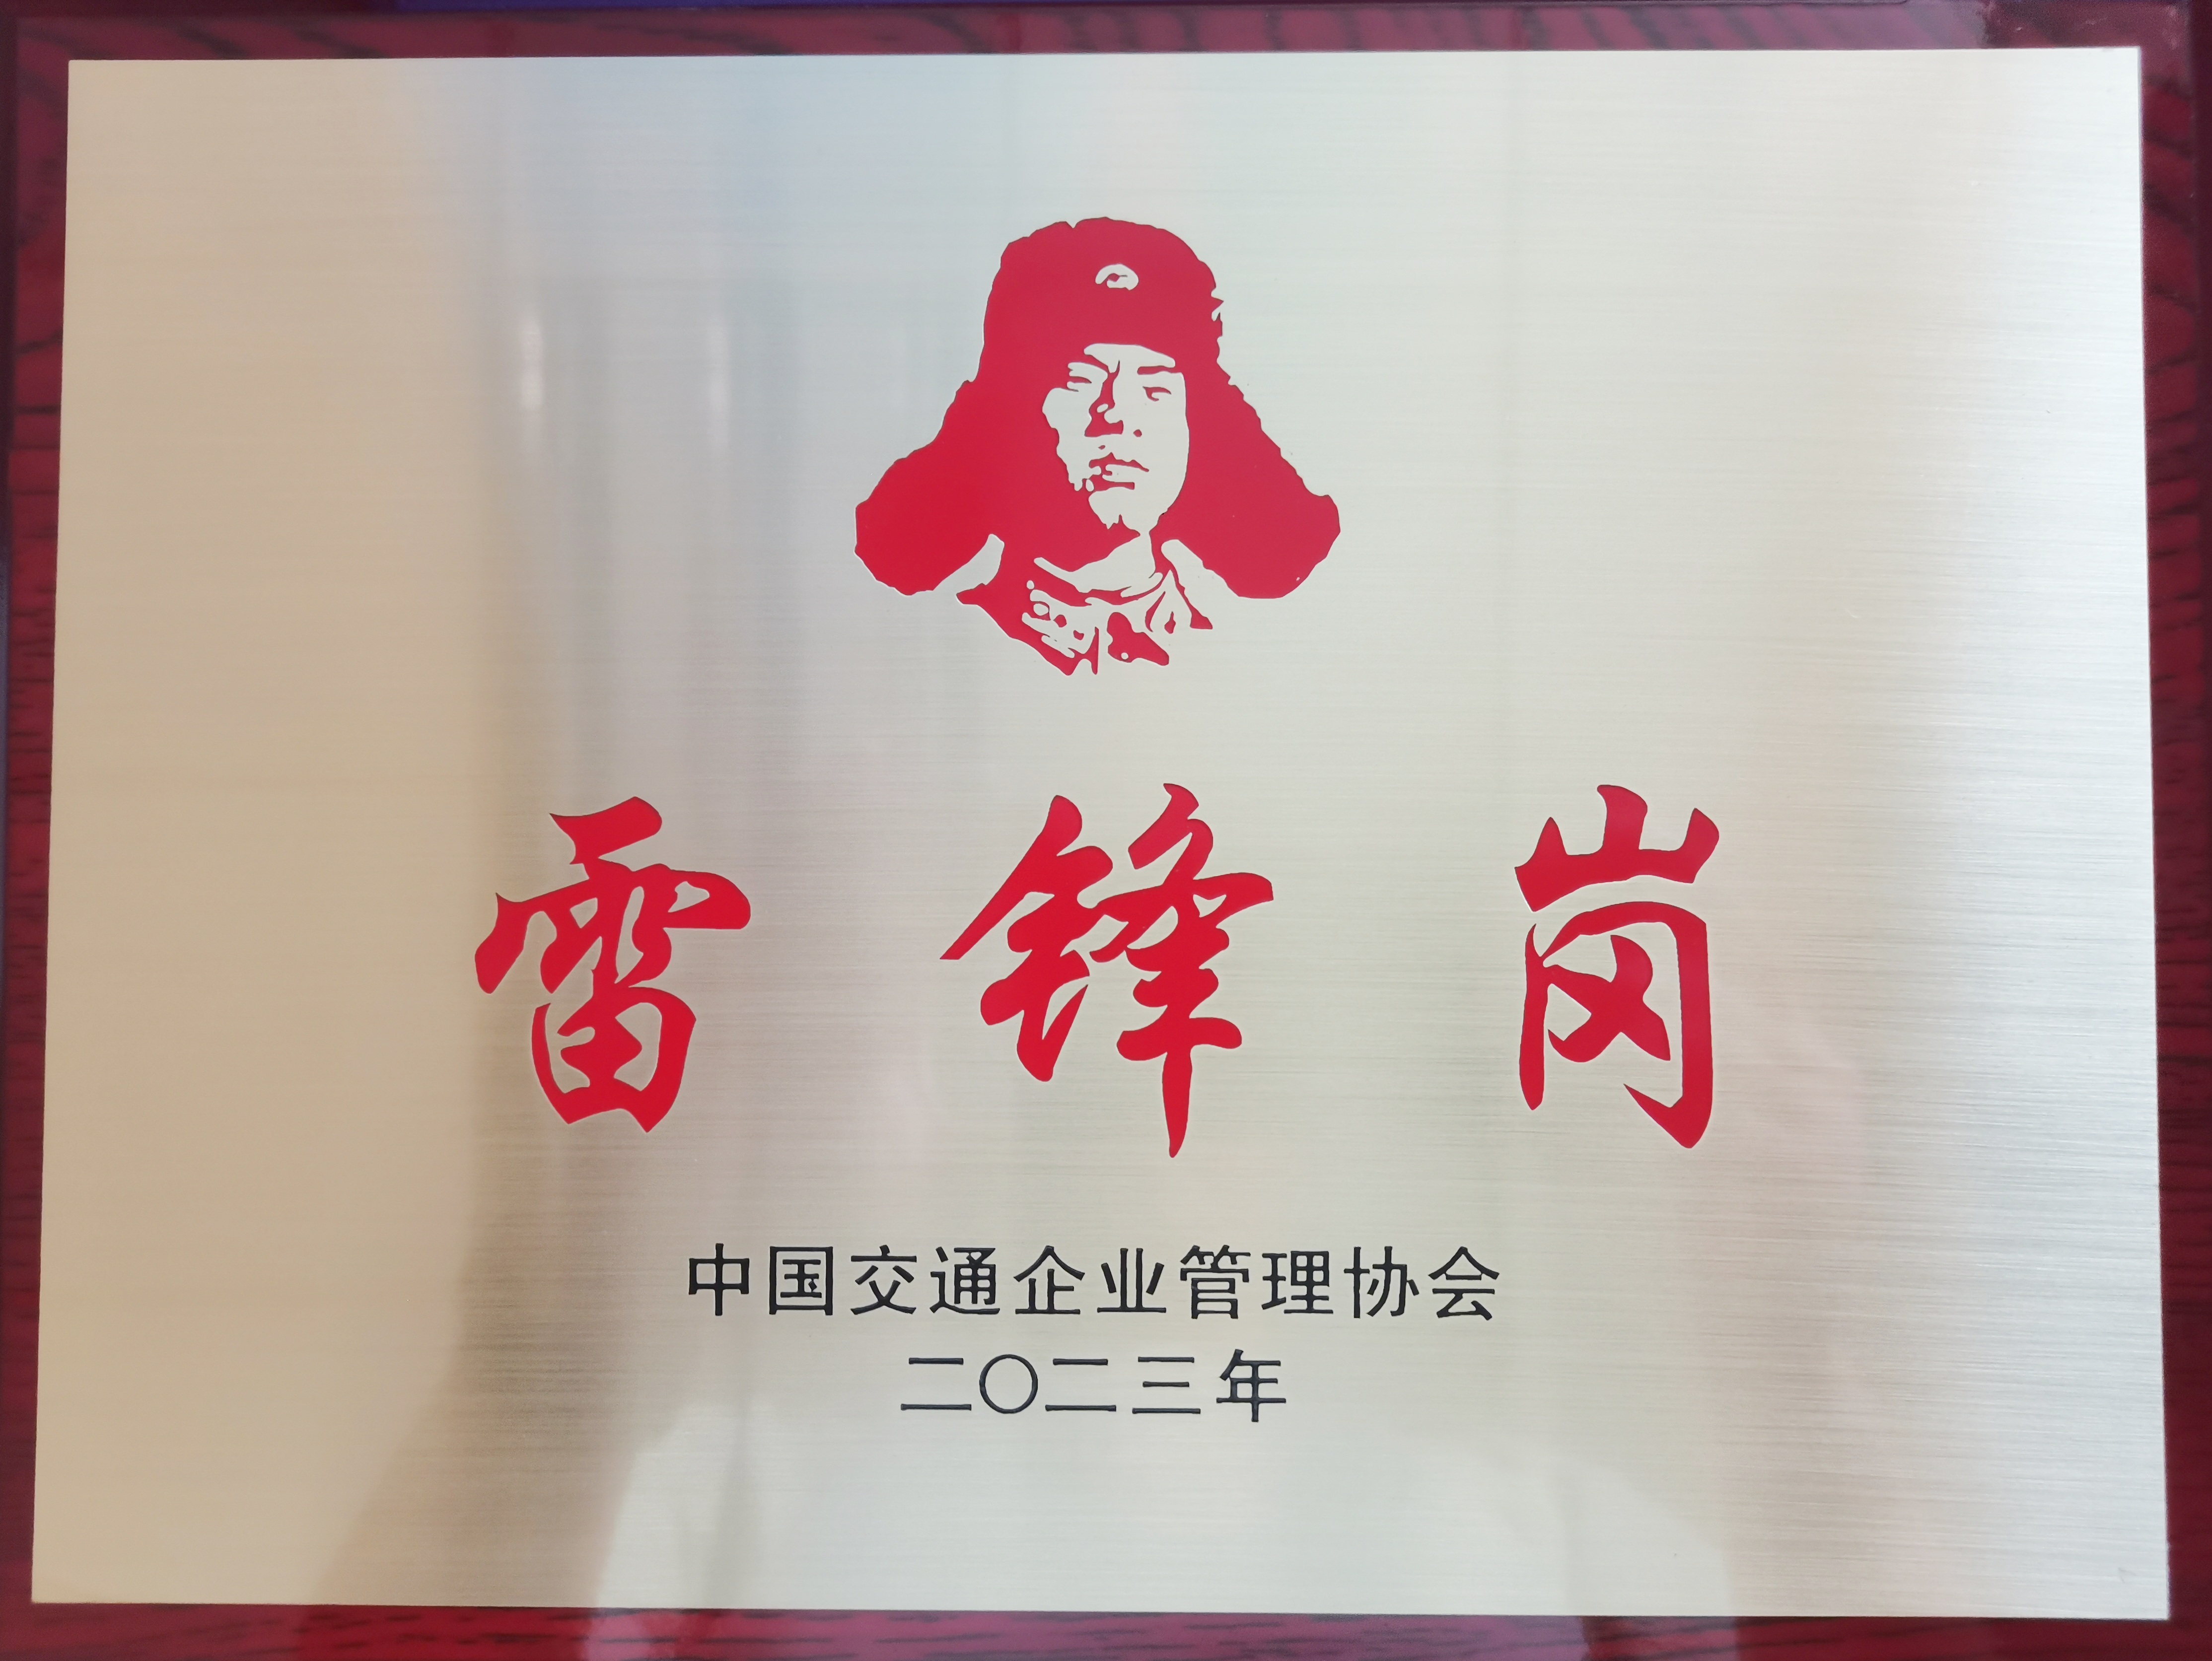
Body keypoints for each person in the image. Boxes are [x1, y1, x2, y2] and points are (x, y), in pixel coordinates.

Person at [856, 218, 1340, 672]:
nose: (1118, 417)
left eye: (1155, 388)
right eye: (1081, 382)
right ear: (1015, 417)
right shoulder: (942, 651)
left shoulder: (1251, 654)